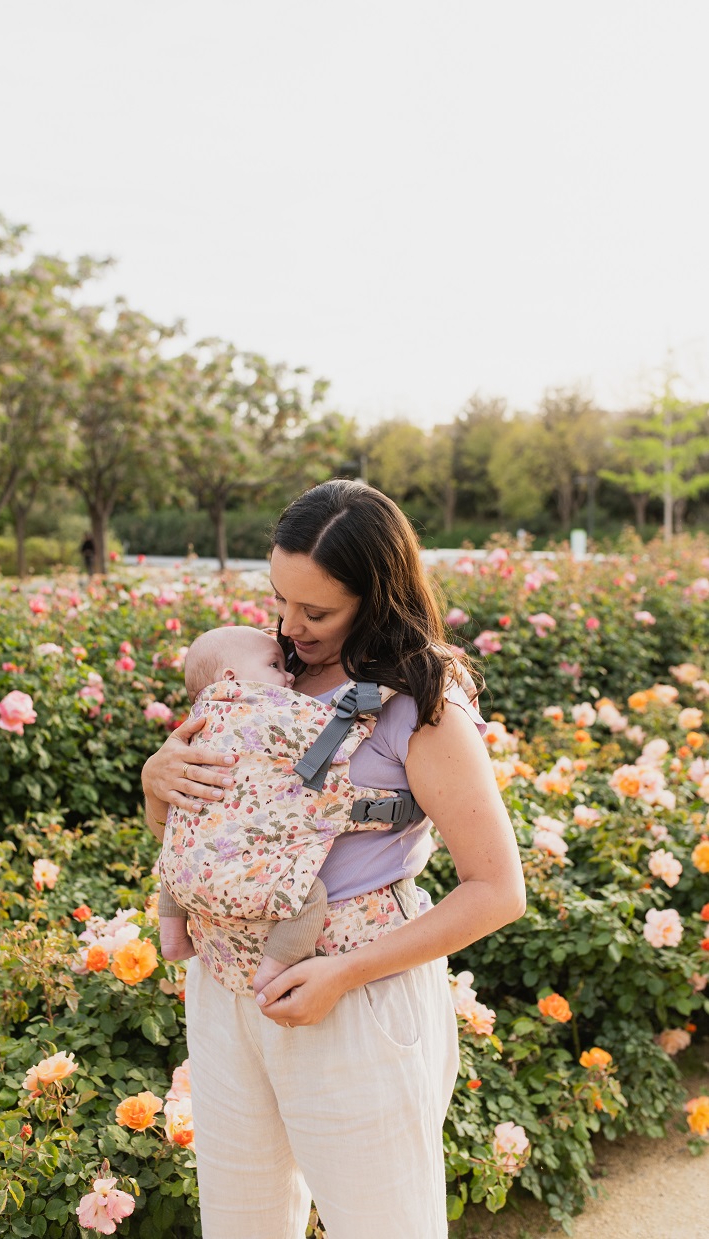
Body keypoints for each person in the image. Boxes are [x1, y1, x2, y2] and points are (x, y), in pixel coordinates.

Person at [142, 479, 526, 1239]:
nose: (291, 625)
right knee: (240, 1225)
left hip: (353, 996)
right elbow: (202, 828)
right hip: (224, 989)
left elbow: (497, 889)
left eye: (317, 611)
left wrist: (342, 975)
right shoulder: (255, 672)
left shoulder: (421, 703)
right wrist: (156, 779)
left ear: (377, 596)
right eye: (281, 598)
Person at [157, 624, 411, 993]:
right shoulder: (264, 709)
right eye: (275, 665)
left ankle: (171, 938)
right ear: (232, 677)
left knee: (176, 851)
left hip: (185, 875)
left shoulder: (202, 719)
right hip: (245, 884)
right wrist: (375, 694)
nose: (289, 674)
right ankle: (272, 971)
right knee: (308, 897)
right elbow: (332, 733)